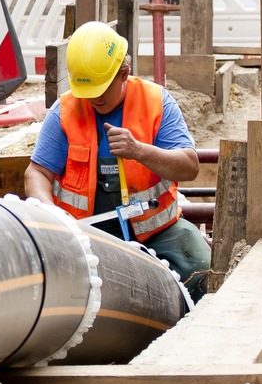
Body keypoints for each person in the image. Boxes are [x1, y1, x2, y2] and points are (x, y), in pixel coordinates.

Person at [24, 21, 210, 302]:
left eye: (100, 90)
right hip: (84, 235)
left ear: (124, 73)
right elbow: (37, 172)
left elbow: (189, 166)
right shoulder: (65, 109)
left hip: (156, 232)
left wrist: (140, 151)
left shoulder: (156, 102)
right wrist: (51, 213)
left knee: (200, 267)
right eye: (86, 91)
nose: (93, 99)